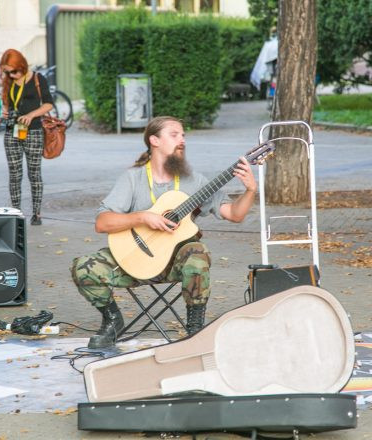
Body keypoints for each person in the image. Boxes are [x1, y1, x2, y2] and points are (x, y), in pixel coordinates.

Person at [71, 116, 257, 349]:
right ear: (154, 141)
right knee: (83, 267)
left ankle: (195, 330)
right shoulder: (134, 178)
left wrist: (250, 190)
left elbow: (235, 214)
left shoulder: (194, 181)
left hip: (175, 265)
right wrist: (143, 217)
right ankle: (112, 321)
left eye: (183, 135)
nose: (182, 140)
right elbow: (102, 223)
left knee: (197, 255)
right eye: (174, 134)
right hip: (133, 262)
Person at [0, 49, 53, 225]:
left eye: (13, 71)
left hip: (34, 131)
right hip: (12, 131)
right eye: (7, 71)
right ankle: (15, 212)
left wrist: (31, 115)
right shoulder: (8, 81)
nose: (11, 75)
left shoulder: (38, 79)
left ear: (21, 65)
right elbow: (8, 103)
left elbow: (48, 104)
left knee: (34, 173)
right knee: (14, 174)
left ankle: (37, 214)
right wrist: (5, 111)